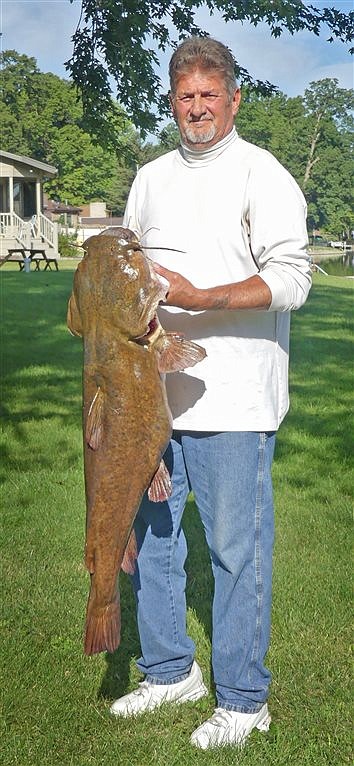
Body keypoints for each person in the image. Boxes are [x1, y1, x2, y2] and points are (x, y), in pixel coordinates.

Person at [110, 36, 312, 749]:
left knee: (235, 551)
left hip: (237, 398)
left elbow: (292, 278)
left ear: (233, 98)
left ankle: (244, 699)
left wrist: (204, 297)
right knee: (156, 540)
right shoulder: (149, 178)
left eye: (208, 95)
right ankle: (168, 672)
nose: (196, 108)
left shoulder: (264, 174)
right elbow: (126, 273)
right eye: (184, 96)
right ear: (172, 101)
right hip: (154, 401)